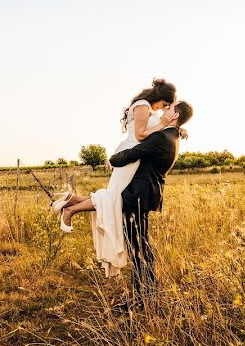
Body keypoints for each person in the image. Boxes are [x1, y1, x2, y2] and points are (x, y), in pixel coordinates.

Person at [50, 79, 178, 277]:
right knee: (114, 198)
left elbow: (153, 133)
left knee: (114, 197)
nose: (164, 110)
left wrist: (174, 127)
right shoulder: (143, 106)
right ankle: (71, 209)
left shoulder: (149, 110)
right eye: (165, 105)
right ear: (160, 98)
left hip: (134, 157)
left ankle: (73, 201)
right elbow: (142, 135)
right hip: (130, 157)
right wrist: (163, 124)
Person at [109, 100, 193, 311]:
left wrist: (112, 158)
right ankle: (148, 294)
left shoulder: (160, 138)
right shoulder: (171, 136)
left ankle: (141, 300)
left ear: (174, 116)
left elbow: (125, 157)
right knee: (141, 245)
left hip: (138, 195)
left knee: (137, 247)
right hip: (146, 195)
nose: (164, 109)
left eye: (169, 108)